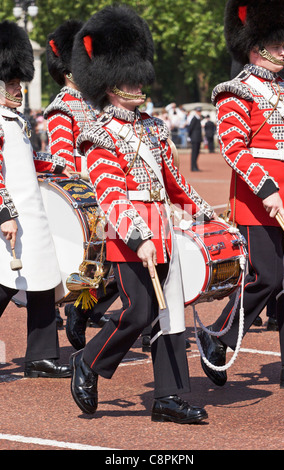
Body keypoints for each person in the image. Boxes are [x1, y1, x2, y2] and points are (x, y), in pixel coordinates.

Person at [69, 4, 217, 422]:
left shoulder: (152, 128)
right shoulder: (99, 136)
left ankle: (167, 397)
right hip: (129, 234)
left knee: (170, 313)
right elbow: (111, 195)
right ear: (111, 83)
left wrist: (209, 217)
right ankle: (89, 361)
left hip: (163, 230)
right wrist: (140, 237)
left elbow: (175, 183)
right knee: (138, 312)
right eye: (129, 77)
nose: (138, 83)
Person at [199, 0, 284, 390]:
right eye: (276, 45)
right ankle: (219, 335)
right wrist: (267, 187)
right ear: (255, 46)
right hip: (260, 199)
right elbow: (233, 148)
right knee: (267, 277)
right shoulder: (235, 91)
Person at [0, 21, 72, 378]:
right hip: (11, 213)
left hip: (33, 213)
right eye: (12, 83)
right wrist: (5, 213)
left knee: (44, 280)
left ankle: (41, 356)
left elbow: (25, 161)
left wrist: (61, 166)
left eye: (18, 83)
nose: (18, 89)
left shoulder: (15, 118)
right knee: (3, 283)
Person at [44, 20, 120, 348]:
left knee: (123, 261)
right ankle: (81, 308)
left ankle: (91, 307)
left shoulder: (93, 102)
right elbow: (64, 161)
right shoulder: (62, 107)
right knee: (104, 262)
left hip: (110, 187)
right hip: (88, 195)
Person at [188, 107, 203, 171]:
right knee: (194, 153)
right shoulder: (194, 119)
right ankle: (193, 167)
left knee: (197, 152)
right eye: (198, 111)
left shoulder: (198, 119)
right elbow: (190, 128)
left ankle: (195, 166)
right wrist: (190, 136)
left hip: (198, 138)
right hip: (194, 138)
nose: (199, 113)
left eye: (200, 111)